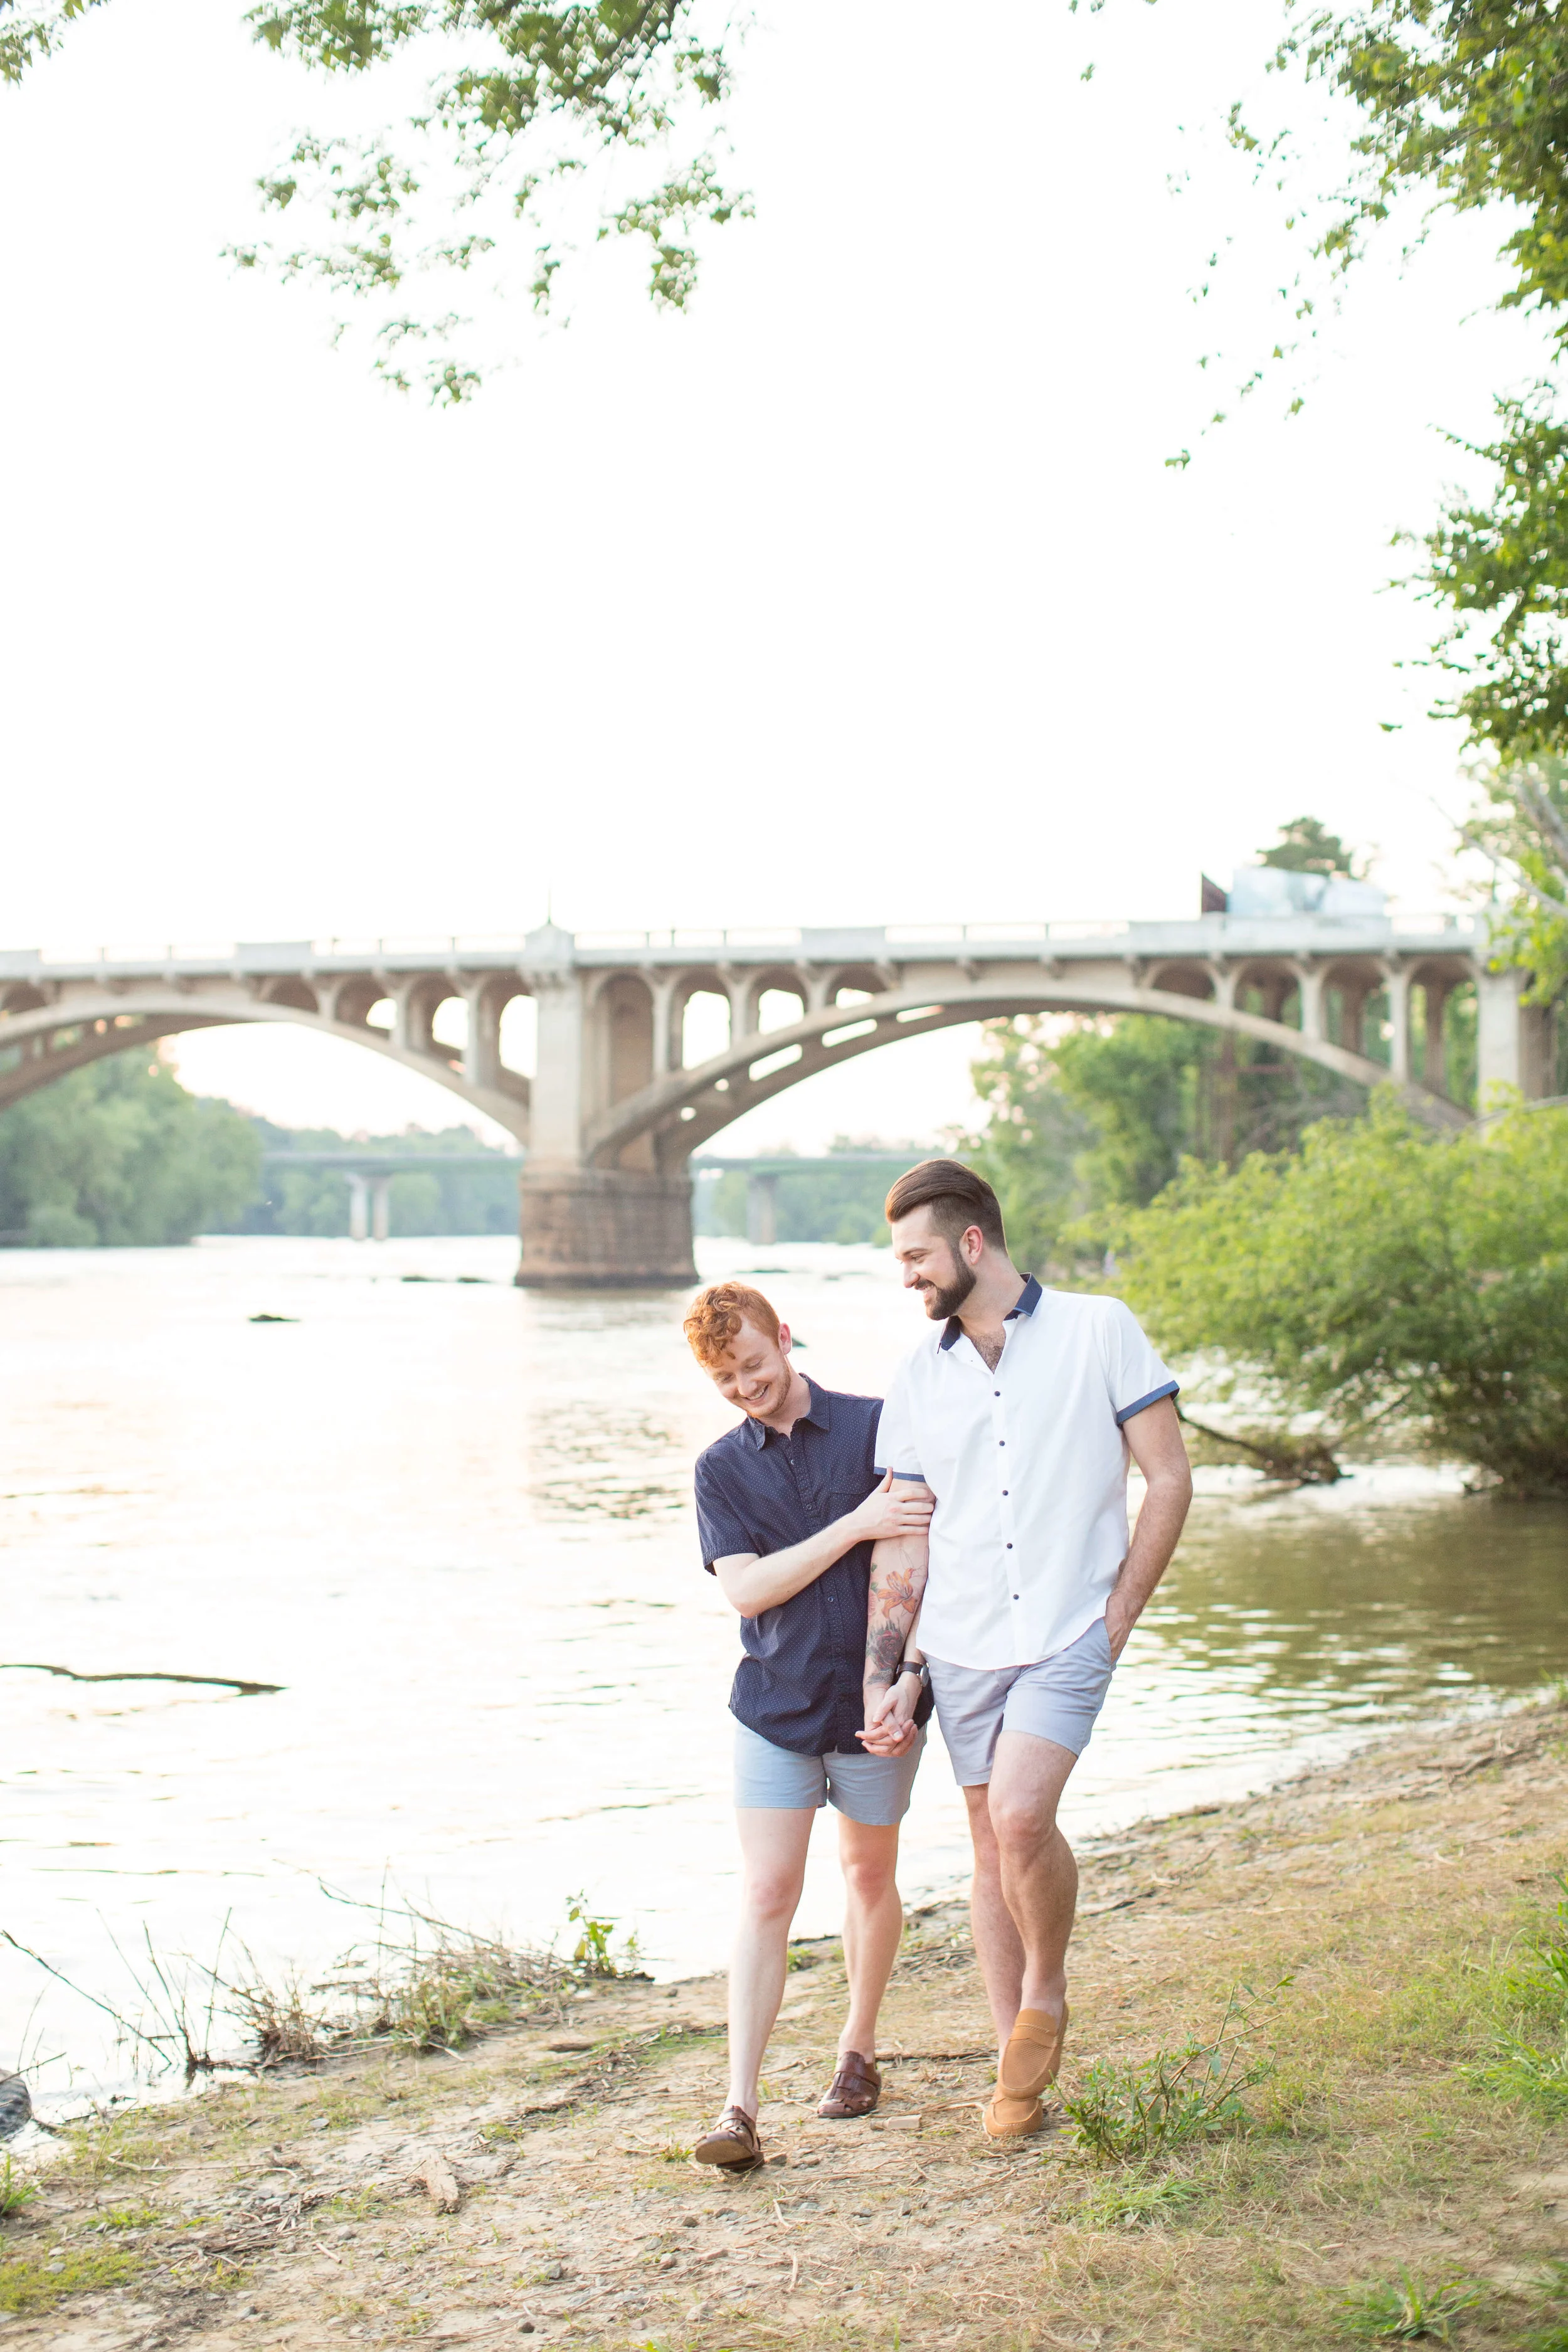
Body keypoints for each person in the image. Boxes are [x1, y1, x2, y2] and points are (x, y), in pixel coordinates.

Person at [860, 1159, 1192, 2139]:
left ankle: (1047, 1982)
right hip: (957, 1643)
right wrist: (890, 1672)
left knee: (1019, 1814)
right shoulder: (919, 1375)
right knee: (984, 1843)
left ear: (971, 1244)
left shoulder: (1101, 1328)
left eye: (917, 1256)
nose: (907, 1277)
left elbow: (1167, 1479)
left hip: (1067, 1630)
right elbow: (907, 1536)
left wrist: (1119, 1613)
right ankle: (1019, 2063)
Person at [683, 1280, 935, 2172]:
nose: (745, 1387)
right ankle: (739, 2104)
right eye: (725, 1379)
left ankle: (856, 2050)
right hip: (774, 1708)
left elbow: (926, 1563)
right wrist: (854, 1524)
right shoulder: (721, 1469)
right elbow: (746, 1590)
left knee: (868, 1874)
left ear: (785, 1338)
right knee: (766, 1893)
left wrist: (909, 1680)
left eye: (753, 1365)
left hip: (877, 1708)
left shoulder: (877, 1426)